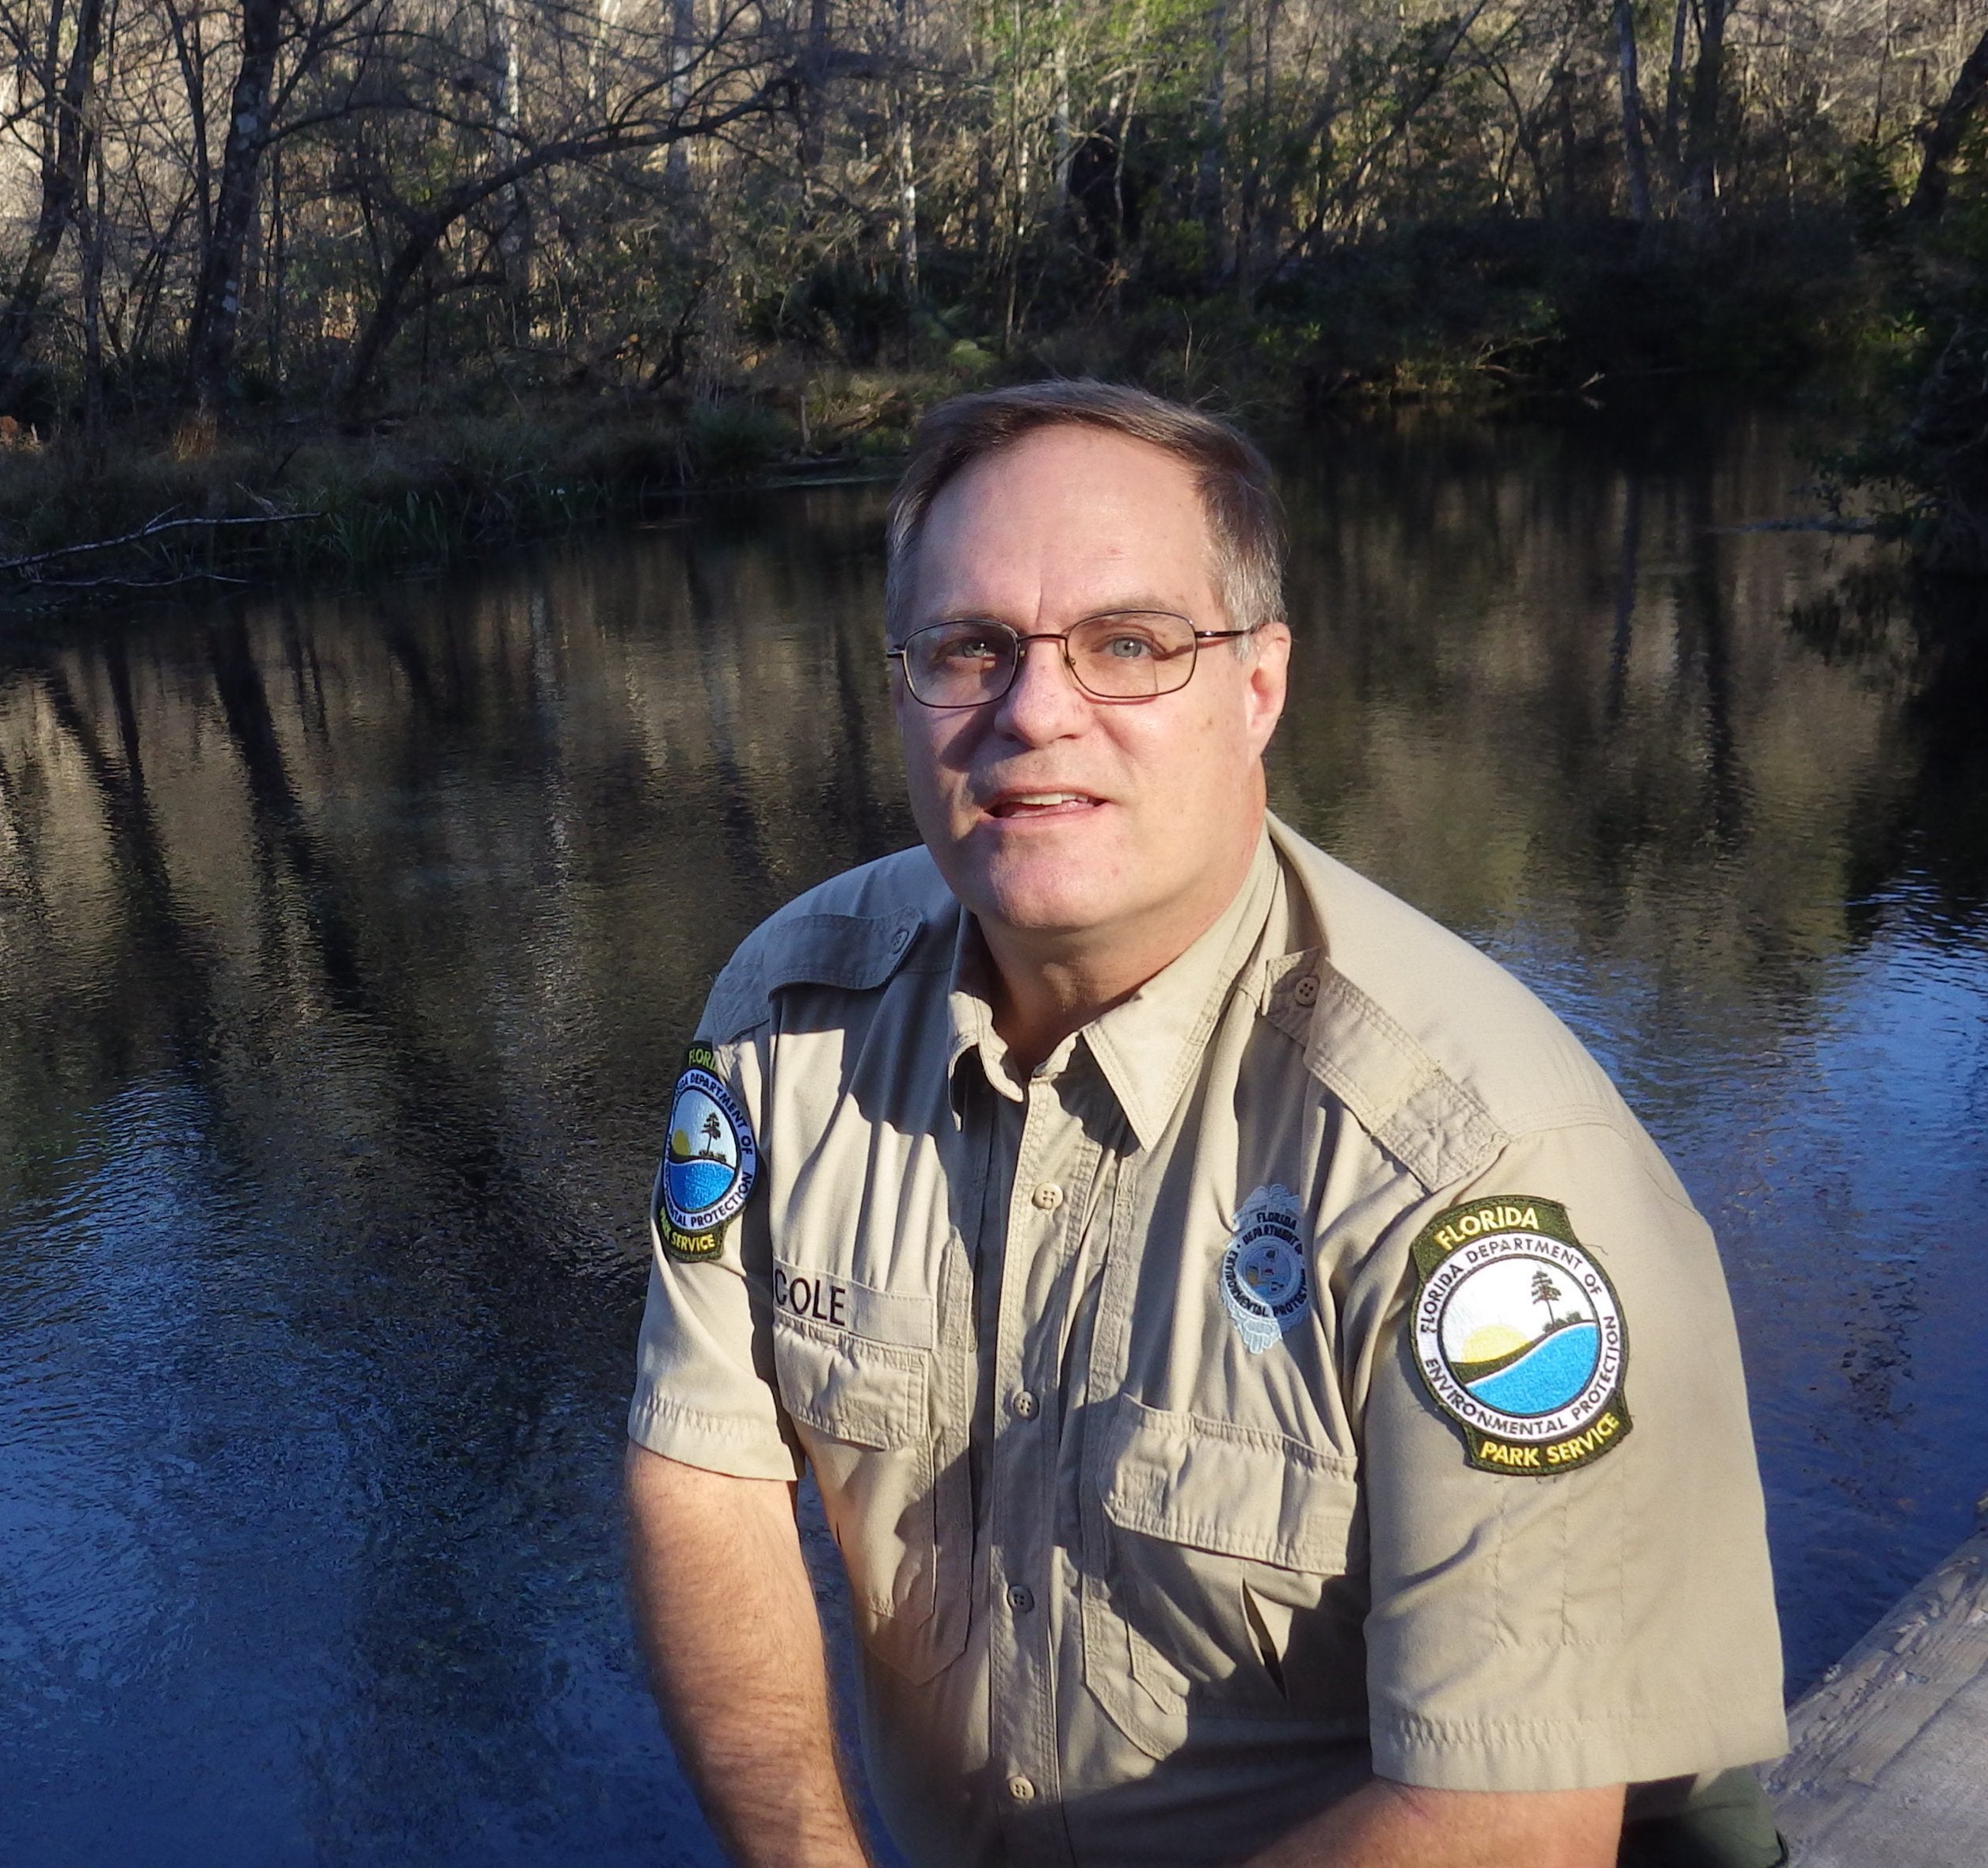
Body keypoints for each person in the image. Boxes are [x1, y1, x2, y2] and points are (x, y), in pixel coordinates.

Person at [622, 381, 1790, 1868]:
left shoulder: (1480, 1170)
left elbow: (1511, 1821)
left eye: (1129, 645)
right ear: (901, 682)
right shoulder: (785, 1018)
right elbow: (702, 1471)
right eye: (970, 647)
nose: (1036, 712)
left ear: (1259, 687)